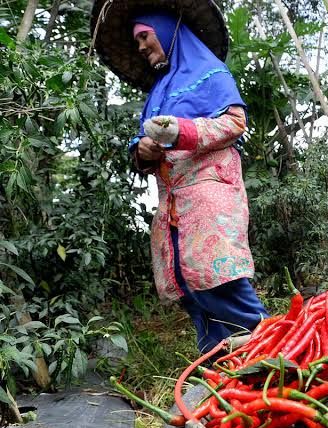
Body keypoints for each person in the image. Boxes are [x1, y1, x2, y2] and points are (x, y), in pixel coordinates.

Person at [94, 7, 267, 353]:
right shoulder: (158, 92)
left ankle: (273, 348)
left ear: (166, 30)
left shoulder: (211, 73)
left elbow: (235, 123)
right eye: (137, 40)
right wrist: (143, 149)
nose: (141, 46)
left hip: (208, 198)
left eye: (145, 35)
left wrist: (179, 132)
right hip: (172, 205)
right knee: (192, 291)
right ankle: (220, 374)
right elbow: (144, 142)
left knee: (218, 283)